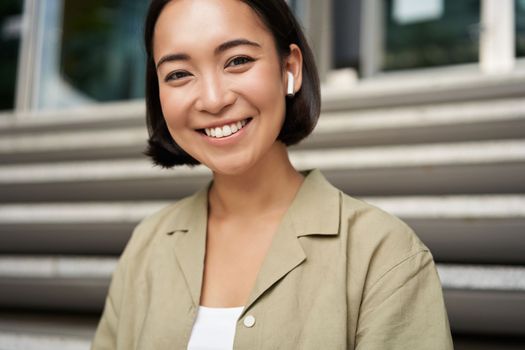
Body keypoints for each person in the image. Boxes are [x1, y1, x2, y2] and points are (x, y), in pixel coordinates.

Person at [91, 0, 453, 349]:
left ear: (289, 68)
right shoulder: (147, 246)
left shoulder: (383, 253)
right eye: (179, 74)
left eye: (237, 60)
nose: (213, 99)